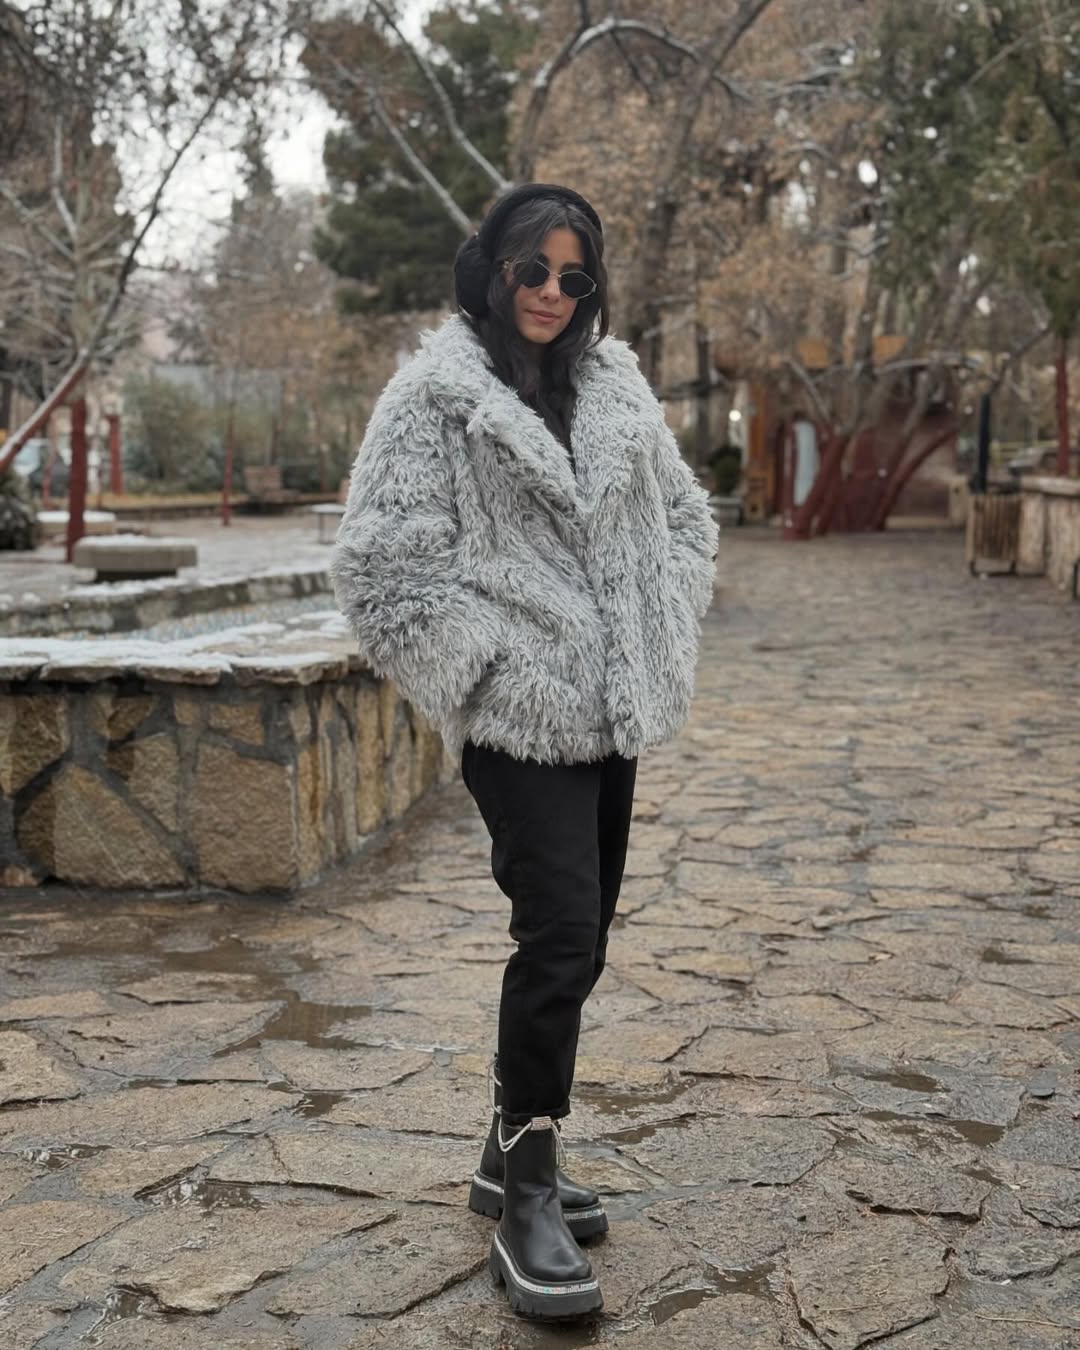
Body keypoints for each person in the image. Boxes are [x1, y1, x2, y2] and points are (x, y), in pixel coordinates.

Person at [331, 183, 718, 1320]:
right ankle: (530, 1191)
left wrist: (662, 614)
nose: (552, 292)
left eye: (573, 276)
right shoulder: (434, 398)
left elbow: (685, 520)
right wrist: (489, 668)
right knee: (555, 935)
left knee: (583, 937)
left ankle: (505, 1154)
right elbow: (379, 567)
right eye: (533, 269)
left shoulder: (613, 385)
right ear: (492, 269)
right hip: (519, 716)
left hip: (615, 706)